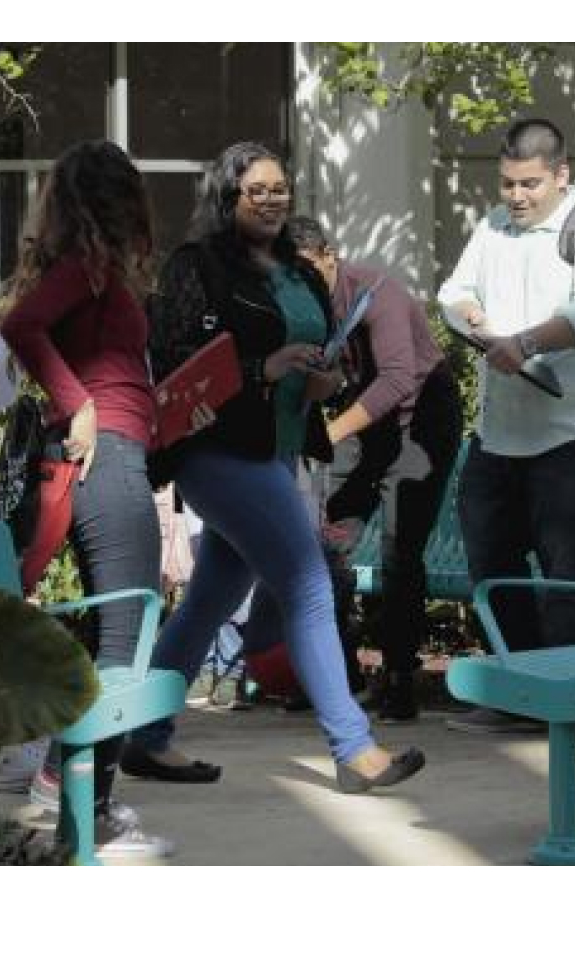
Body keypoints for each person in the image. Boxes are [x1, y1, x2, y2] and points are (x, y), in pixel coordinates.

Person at [122, 141, 425, 795]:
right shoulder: (197, 267)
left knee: (211, 600)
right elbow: (177, 358)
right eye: (255, 190)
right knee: (309, 585)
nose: (270, 200)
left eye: (279, 188)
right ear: (227, 196)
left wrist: (324, 381)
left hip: (279, 446)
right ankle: (354, 748)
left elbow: (321, 355)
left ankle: (141, 736)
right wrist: (266, 368)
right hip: (217, 452)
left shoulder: (300, 271)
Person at [0, 139, 174, 860]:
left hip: (118, 458)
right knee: (127, 644)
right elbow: (21, 326)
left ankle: (67, 789)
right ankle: (82, 810)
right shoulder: (87, 270)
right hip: (109, 465)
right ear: (119, 199)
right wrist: (81, 406)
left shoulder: (92, 271)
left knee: (117, 638)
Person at [435, 117, 575, 734]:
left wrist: (520, 342)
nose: (516, 196)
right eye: (508, 183)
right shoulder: (492, 227)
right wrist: (471, 314)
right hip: (501, 433)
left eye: (530, 184)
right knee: (493, 563)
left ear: (561, 175)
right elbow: (452, 291)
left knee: (569, 569)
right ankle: (520, 694)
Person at [289, 215, 463, 722]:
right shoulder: (303, 303)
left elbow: (395, 381)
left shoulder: (376, 294)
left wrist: (328, 434)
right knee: (323, 543)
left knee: (398, 549)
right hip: (367, 426)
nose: (299, 283)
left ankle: (398, 680)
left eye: (307, 270)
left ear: (329, 256)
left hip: (420, 421)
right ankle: (338, 676)